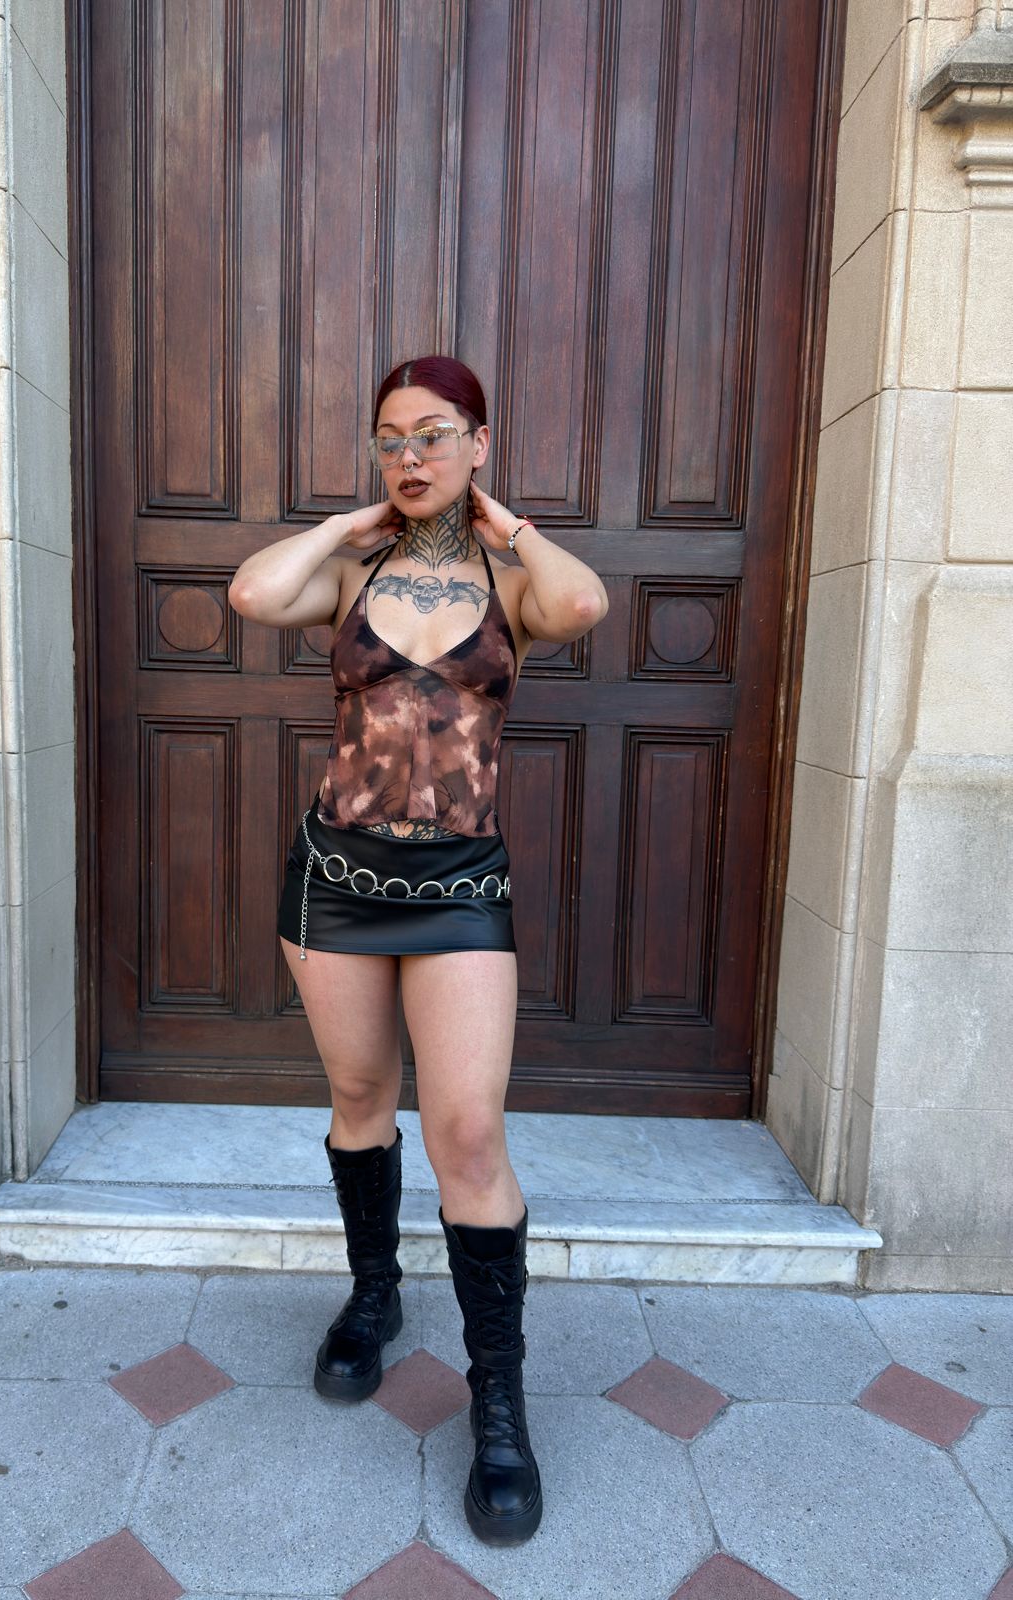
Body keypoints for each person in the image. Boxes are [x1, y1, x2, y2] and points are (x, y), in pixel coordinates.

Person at [227, 355, 607, 1545]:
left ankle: (498, 1402)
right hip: (337, 879)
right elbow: (251, 593)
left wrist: (510, 525)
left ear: (478, 442)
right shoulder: (353, 568)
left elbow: (584, 607)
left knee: (469, 1131)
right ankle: (375, 1293)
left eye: (434, 433)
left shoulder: (512, 578)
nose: (409, 455)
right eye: (390, 437)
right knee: (359, 1098)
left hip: (459, 885)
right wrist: (345, 523)